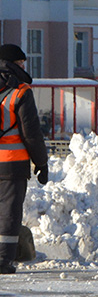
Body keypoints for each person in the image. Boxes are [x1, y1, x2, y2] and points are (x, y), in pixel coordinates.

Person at [0, 43, 48, 274]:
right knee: (9, 211)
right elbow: (31, 133)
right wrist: (41, 162)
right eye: (21, 62)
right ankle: (3, 260)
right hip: (11, 163)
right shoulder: (20, 91)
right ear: (13, 64)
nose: (23, 65)